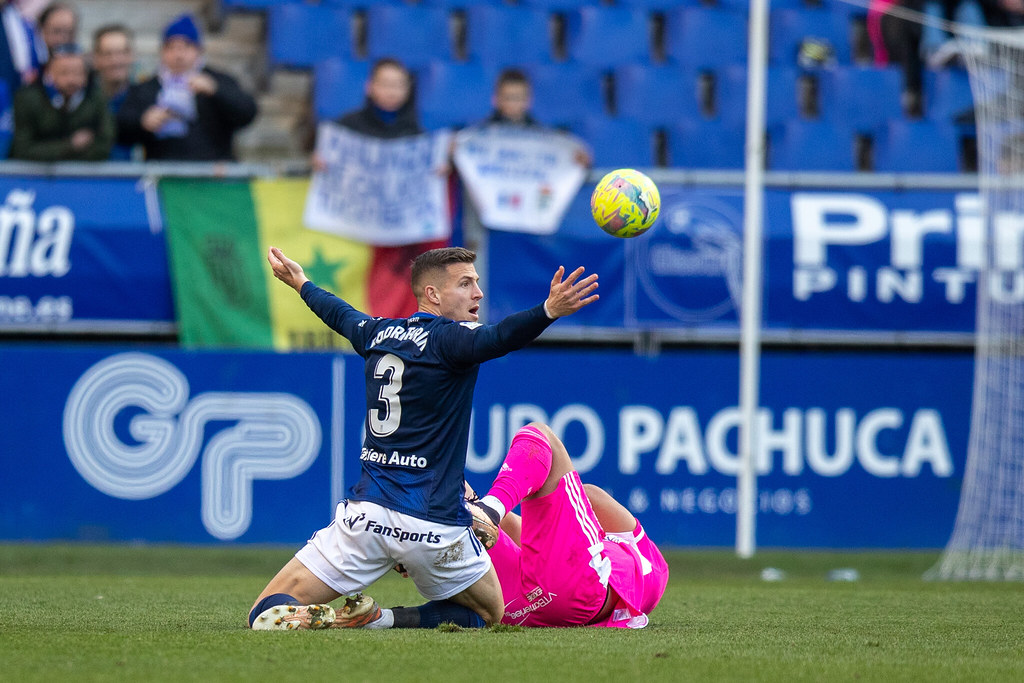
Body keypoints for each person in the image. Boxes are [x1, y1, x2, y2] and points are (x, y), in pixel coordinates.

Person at [249, 246, 600, 631]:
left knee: (265, 609)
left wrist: (301, 283)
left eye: (477, 283)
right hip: (434, 528)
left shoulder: (377, 332)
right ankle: (380, 621)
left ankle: (323, 617)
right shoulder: (453, 340)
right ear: (432, 294)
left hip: (367, 520)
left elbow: (339, 314)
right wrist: (547, 311)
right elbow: (502, 337)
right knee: (489, 614)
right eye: (465, 284)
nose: (478, 294)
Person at [356, 423, 669, 630]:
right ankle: (381, 618)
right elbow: (532, 545)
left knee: (540, 437)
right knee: (481, 593)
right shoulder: (644, 574)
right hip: (530, 607)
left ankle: (439, 524)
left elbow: (589, 496)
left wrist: (489, 506)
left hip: (576, 591)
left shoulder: (648, 560)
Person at [320, 57, 444, 319]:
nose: (391, 91)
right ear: (370, 87)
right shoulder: (345, 129)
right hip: (356, 234)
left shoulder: (418, 133)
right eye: (386, 84)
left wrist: (441, 169)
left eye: (398, 85)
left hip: (399, 236)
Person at [116, 13, 256, 161]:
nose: (178, 55)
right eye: (171, 48)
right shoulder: (146, 88)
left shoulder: (218, 81)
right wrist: (142, 121)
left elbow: (248, 113)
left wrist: (216, 91)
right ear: (162, 52)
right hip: (163, 175)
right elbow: (120, 129)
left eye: (186, 47)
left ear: (199, 50)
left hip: (214, 175)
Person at [9, 42, 112, 160]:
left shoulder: (96, 96)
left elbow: (104, 145)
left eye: (78, 73)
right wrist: (71, 146)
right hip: (36, 176)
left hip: (83, 175)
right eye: (64, 72)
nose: (71, 80)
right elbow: (22, 149)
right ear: (49, 73)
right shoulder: (28, 98)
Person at [483, 67, 591, 167]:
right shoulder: (481, 135)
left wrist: (576, 159)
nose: (514, 103)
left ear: (529, 100)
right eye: (509, 97)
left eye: (519, 98)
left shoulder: (542, 136)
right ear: (496, 99)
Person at [90, 23, 134, 159]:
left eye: (121, 53)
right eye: (108, 54)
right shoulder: (83, 99)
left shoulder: (147, 98)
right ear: (96, 59)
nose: (115, 61)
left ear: (132, 56)